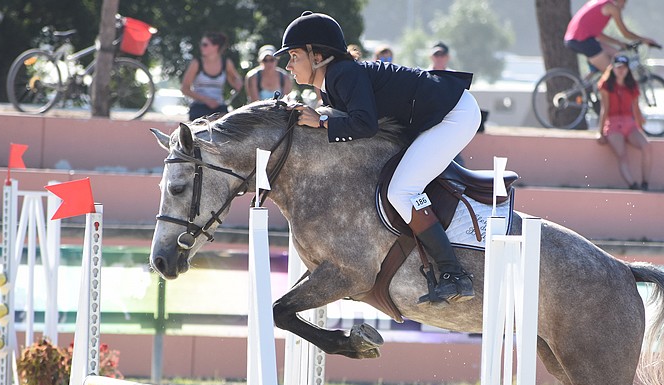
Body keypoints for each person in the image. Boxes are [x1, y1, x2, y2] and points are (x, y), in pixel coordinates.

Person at [276, 11, 481, 304]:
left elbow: (365, 124)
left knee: (402, 190)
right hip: (437, 115)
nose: (288, 65)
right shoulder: (334, 82)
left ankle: (453, 273)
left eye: (294, 56)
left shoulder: (342, 74)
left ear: (317, 55)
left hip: (453, 115)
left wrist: (321, 122)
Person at [597, 55, 651, 190]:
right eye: (618, 68)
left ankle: (645, 183)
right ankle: (632, 184)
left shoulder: (632, 86)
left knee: (646, 147)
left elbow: (636, 109)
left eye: (624, 68)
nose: (621, 71)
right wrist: (601, 132)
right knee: (622, 155)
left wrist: (639, 127)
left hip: (629, 124)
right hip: (614, 124)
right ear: (613, 69)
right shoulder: (606, 85)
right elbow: (605, 109)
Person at [564, 0, 660, 73]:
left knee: (616, 54)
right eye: (625, 2)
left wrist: (619, 43)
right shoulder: (612, 7)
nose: (624, 6)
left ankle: (588, 82)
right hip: (583, 40)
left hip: (576, 39)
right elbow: (625, 33)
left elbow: (598, 34)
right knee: (614, 74)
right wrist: (644, 40)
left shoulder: (600, 2)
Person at [181, 32, 243, 120]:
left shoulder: (226, 63)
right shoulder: (197, 63)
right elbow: (185, 88)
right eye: (201, 44)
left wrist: (237, 83)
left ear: (216, 46)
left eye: (205, 45)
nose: (201, 47)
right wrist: (206, 100)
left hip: (219, 106)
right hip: (199, 107)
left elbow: (236, 78)